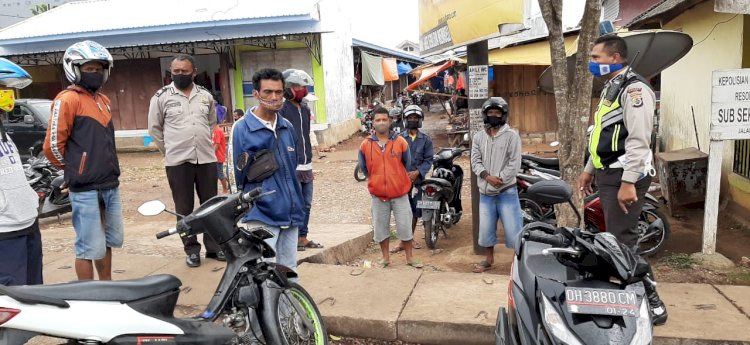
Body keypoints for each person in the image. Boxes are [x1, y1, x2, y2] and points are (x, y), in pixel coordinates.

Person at [576, 34, 667, 325]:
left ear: (615, 58)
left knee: (622, 241)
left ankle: (652, 301)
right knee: (611, 239)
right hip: (609, 174)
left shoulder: (635, 90)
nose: (592, 63)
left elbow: (640, 140)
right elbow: (602, 135)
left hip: (624, 175)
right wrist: (590, 169)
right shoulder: (611, 88)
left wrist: (628, 183)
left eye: (596, 58)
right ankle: (623, 294)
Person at [43, 41, 124, 280]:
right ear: (75, 70)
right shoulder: (67, 99)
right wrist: (73, 171)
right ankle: (88, 295)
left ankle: (107, 287)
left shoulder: (104, 100)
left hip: (109, 183)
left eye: (99, 69)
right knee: (89, 246)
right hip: (85, 187)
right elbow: (52, 147)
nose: (95, 73)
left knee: (108, 241)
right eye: (89, 69)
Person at [148, 54, 222, 267]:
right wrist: (170, 150)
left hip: (206, 159)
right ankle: (191, 250)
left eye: (184, 71)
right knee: (184, 209)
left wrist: (203, 142)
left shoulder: (205, 96)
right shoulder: (161, 97)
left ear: (194, 72)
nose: (180, 74)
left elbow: (211, 123)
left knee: (210, 206)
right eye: (176, 71)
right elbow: (155, 129)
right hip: (178, 162)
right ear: (171, 72)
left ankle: (214, 248)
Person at [233, 68, 304, 274]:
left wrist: (296, 203)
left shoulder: (287, 126)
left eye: (279, 92)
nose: (274, 97)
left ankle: (289, 307)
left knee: (289, 269)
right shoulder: (242, 129)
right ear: (256, 94)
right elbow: (236, 177)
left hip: (290, 212)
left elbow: (292, 169)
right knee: (264, 273)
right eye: (267, 92)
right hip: (261, 215)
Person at [358, 106, 422, 269]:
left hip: (400, 193)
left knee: (405, 226)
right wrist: (377, 179)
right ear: (372, 123)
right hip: (378, 195)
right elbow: (364, 169)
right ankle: (385, 258)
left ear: (390, 121)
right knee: (380, 229)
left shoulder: (400, 142)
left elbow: (407, 164)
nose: (381, 123)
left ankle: (410, 258)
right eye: (377, 120)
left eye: (384, 119)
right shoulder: (365, 145)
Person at [0, 58, 43, 286]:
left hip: (26, 222)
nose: (4, 95)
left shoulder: (3, 132)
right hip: (4, 231)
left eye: (4, 90)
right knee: (12, 301)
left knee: (35, 294)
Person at [470, 97, 523, 274]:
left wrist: (499, 178)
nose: (493, 115)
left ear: (503, 115)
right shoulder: (478, 137)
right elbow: (475, 161)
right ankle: (488, 259)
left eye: (497, 112)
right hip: (485, 192)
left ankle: (517, 263)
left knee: (513, 228)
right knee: (486, 228)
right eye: (490, 112)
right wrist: (487, 176)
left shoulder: (512, 136)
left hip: (506, 191)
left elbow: (514, 164)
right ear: (485, 114)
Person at [278, 69, 323, 252]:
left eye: (303, 87)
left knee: (306, 203)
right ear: (288, 88)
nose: (301, 90)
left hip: (307, 164)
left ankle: (302, 237)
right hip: (291, 165)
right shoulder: (281, 110)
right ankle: (291, 238)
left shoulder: (304, 109)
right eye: (297, 87)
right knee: (292, 203)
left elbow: (307, 133)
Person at [391, 105, 433, 253]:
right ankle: (403, 240)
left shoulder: (426, 140)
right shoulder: (398, 138)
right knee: (402, 210)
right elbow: (394, 159)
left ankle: (409, 238)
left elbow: (428, 160)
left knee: (415, 210)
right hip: (401, 181)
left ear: (420, 120)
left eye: (416, 118)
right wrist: (402, 175)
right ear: (405, 120)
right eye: (410, 118)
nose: (413, 120)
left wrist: (418, 173)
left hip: (418, 182)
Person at [213, 125, 229, 194]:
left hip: (218, 156)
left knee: (220, 174)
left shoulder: (217, 130)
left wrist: (211, 154)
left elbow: (217, 144)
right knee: (219, 172)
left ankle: (225, 190)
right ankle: (229, 184)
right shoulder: (215, 130)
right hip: (217, 155)